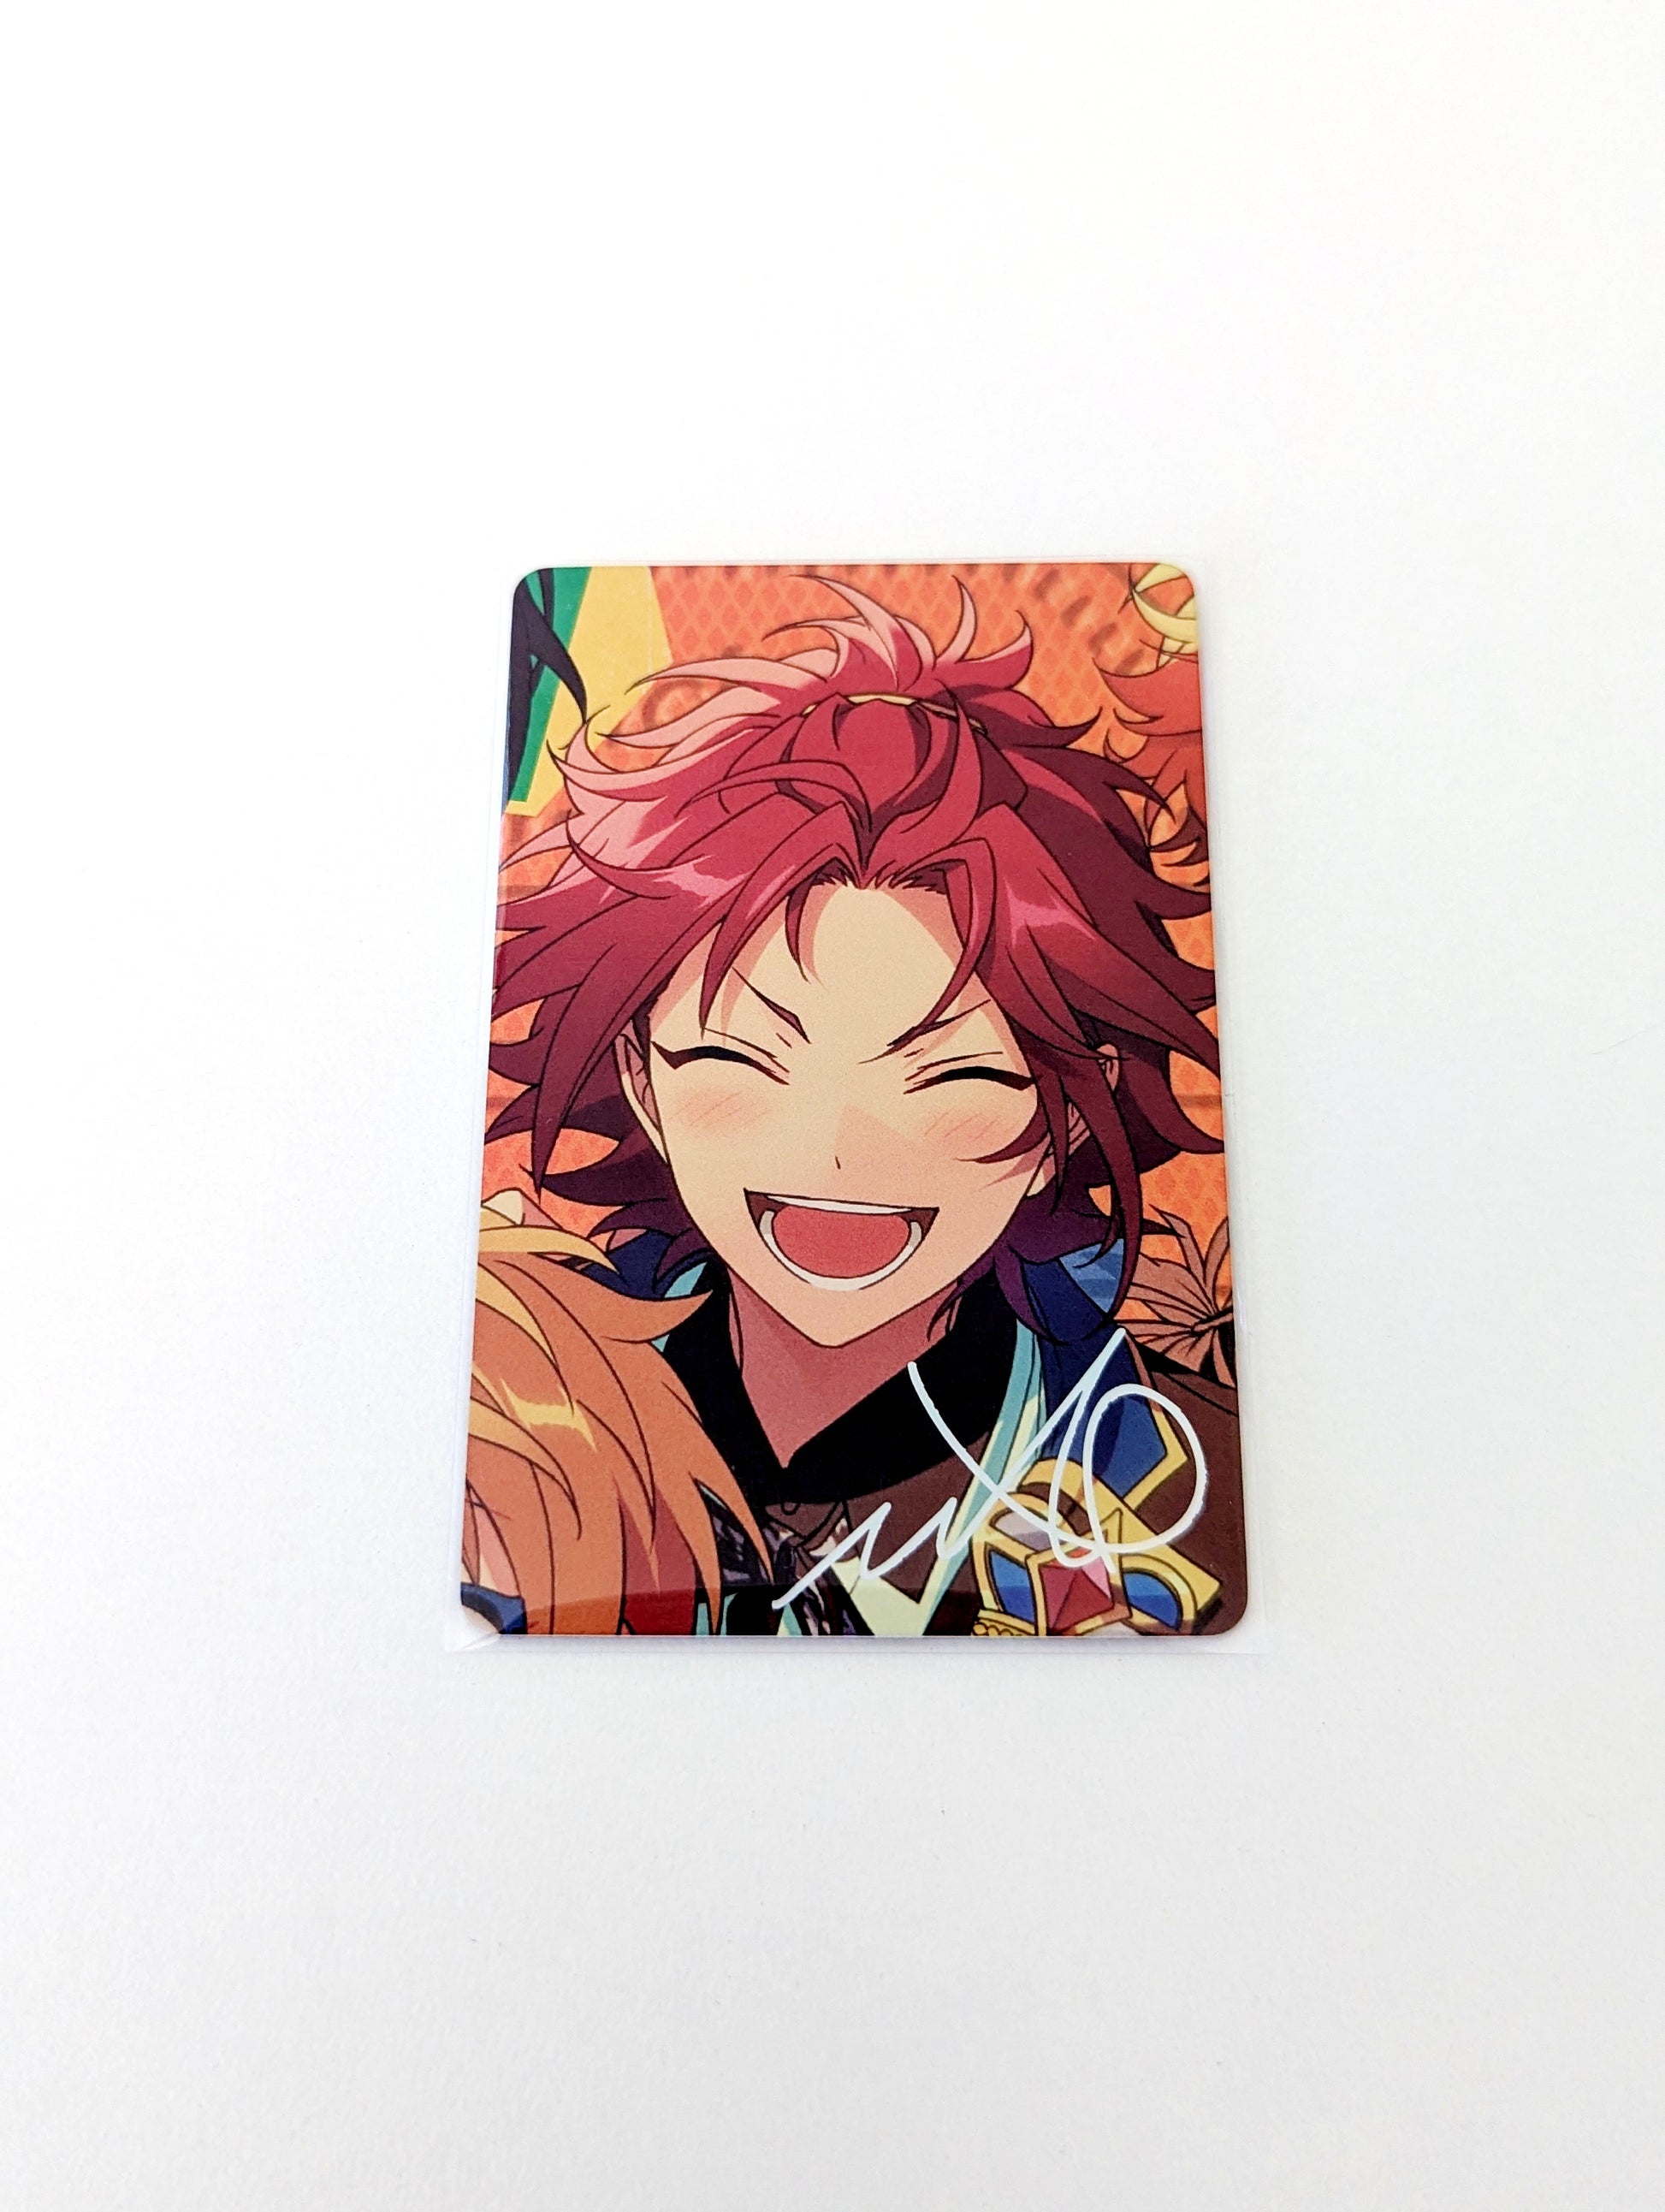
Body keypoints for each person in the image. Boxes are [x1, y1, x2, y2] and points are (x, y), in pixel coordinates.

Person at [468, 578, 1234, 1635]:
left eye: (950, 1076)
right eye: (742, 1059)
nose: (835, 1153)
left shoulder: (1168, 1460)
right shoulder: (533, 1413)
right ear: (641, 1078)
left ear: (1068, 1109)